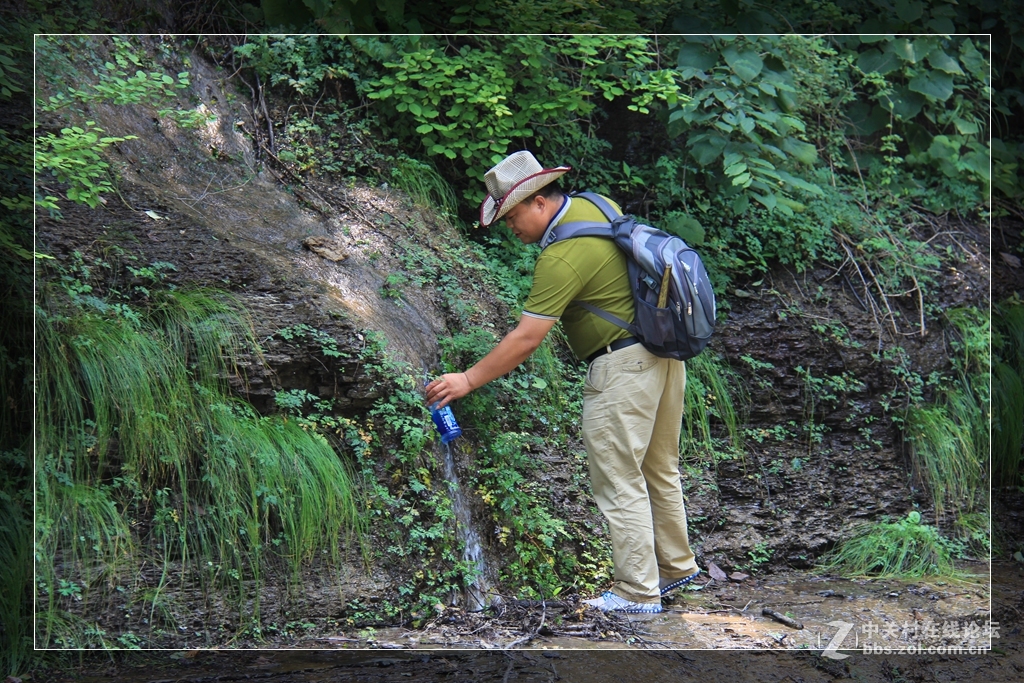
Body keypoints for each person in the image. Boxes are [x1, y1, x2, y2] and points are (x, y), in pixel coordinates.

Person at [425, 150, 701, 613]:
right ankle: (676, 568)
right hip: (664, 357)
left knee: (618, 477)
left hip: (623, 368)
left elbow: (527, 337)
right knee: (659, 469)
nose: (511, 229)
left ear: (537, 202)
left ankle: (637, 592)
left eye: (511, 216)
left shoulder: (562, 256)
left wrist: (468, 379)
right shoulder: (599, 207)